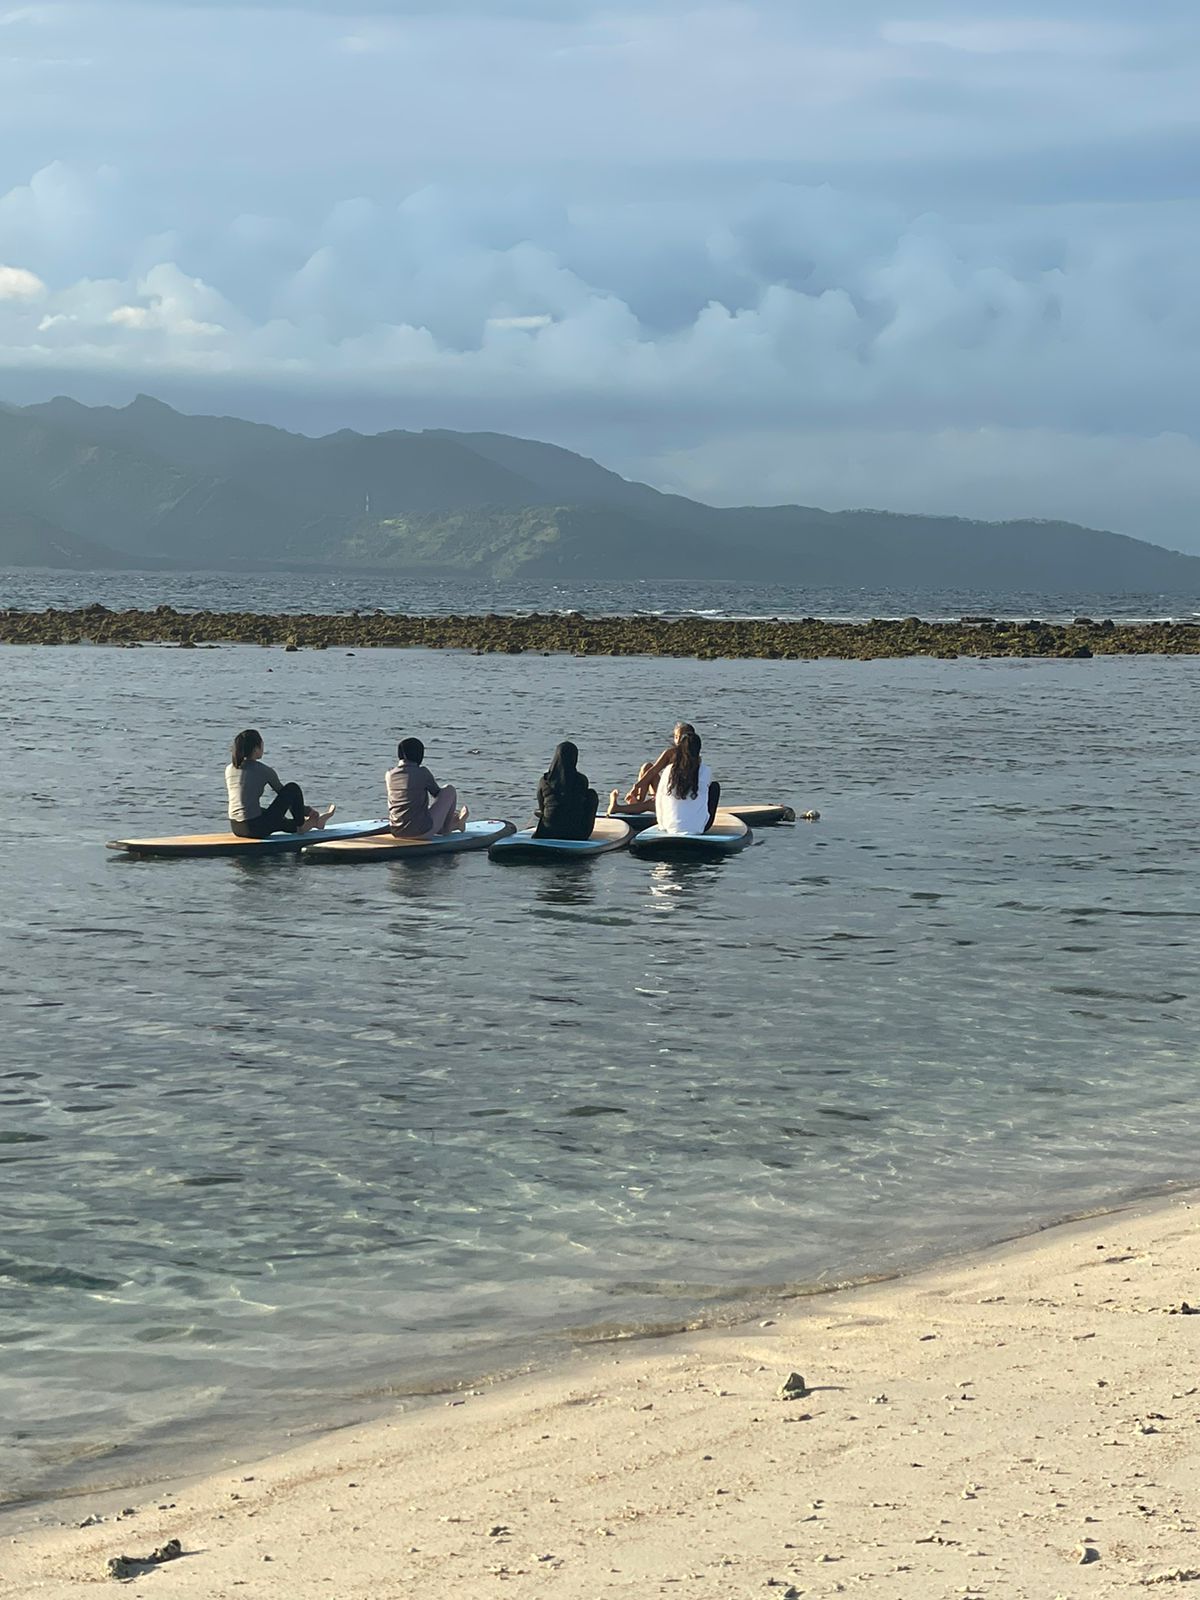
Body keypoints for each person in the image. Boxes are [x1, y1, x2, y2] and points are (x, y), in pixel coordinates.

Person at [225, 729, 334, 838]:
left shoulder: (229, 769)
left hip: (236, 827)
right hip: (255, 829)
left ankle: (315, 823)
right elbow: (286, 796)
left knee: (269, 816)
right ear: (256, 748)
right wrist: (308, 811)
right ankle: (302, 825)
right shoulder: (264, 770)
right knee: (292, 788)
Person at [386, 737, 468, 838]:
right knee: (449, 790)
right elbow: (437, 793)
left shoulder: (389, 774)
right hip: (420, 832)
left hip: (396, 831)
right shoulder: (422, 772)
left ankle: (451, 823)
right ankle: (447, 829)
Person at [610, 721, 690, 815]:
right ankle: (638, 802)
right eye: (676, 737)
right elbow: (652, 771)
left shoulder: (684, 756)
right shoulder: (672, 753)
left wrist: (636, 787)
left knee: (649, 804)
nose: (678, 739)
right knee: (647, 767)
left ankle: (618, 808)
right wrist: (636, 787)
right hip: (668, 791)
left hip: (676, 798)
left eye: (680, 737)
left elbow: (654, 772)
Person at [653, 724, 720, 835]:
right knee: (714, 787)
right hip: (698, 828)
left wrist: (662, 825)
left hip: (669, 827)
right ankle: (697, 819)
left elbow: (659, 800)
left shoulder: (669, 770)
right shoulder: (705, 770)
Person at [533, 741, 599, 840]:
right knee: (591, 795)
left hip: (546, 832)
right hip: (576, 834)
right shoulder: (581, 780)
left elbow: (542, 807)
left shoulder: (544, 781)